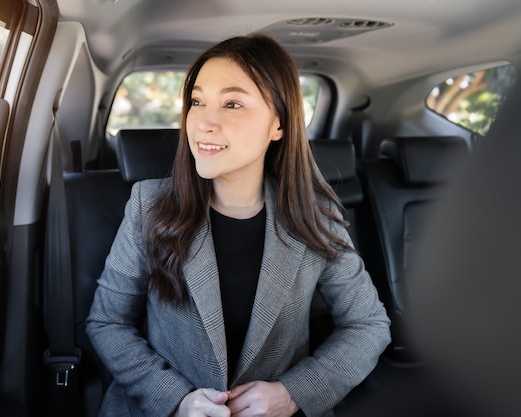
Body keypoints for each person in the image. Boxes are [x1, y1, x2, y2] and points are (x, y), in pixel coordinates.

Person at [86, 33, 391, 417]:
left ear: (278, 124)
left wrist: (292, 393)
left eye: (232, 103)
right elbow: (107, 322)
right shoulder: (150, 206)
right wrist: (175, 399)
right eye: (196, 102)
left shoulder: (315, 216)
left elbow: (369, 324)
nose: (204, 123)